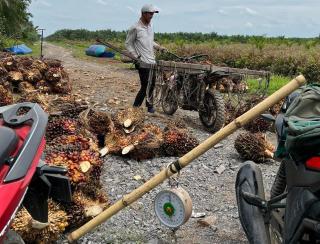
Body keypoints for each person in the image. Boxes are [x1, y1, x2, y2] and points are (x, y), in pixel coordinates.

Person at [125, 4, 167, 113]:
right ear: (143, 13)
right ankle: (135, 108)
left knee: (152, 84)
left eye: (153, 14)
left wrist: (158, 46)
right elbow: (128, 43)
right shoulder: (135, 28)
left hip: (151, 59)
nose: (152, 16)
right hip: (141, 61)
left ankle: (149, 105)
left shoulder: (150, 26)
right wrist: (136, 56)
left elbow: (149, 41)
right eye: (150, 13)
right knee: (145, 85)